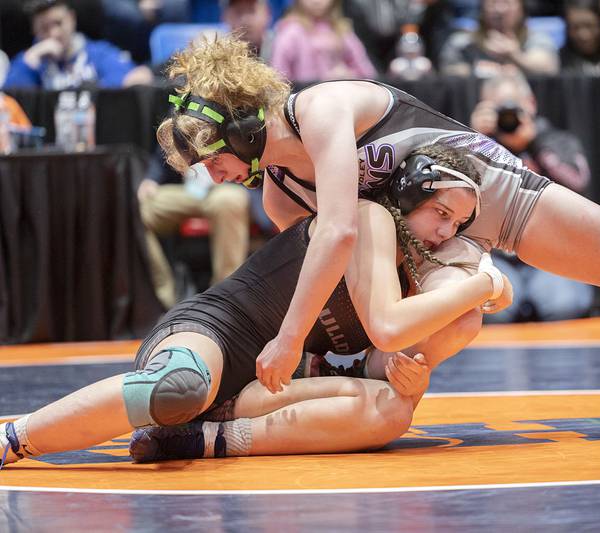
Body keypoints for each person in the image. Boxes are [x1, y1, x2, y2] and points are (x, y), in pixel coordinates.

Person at [156, 35, 600, 427]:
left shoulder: (319, 107)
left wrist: (290, 341)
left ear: (239, 125)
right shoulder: (280, 193)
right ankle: (367, 384)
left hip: (495, 196)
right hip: (428, 249)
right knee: (456, 320)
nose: (212, 176)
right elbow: (342, 281)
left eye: (212, 158)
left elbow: (341, 232)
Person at [0, 142, 513, 466]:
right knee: (180, 387)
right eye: (440, 213)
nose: (447, 233)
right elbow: (386, 327)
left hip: (265, 382)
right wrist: (486, 285)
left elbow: (387, 357)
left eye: (457, 224)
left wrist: (414, 377)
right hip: (219, 333)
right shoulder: (367, 218)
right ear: (407, 195)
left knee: (393, 411)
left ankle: (196, 440)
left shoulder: (414, 270)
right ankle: (12, 438)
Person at [468, 69, 594, 321]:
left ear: (531, 104)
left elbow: (578, 183)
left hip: (550, 257)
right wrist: (474, 138)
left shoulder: (556, 140)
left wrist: (534, 144)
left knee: (564, 305)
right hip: (494, 258)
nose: (508, 116)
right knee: (492, 314)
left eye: (513, 107)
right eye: (498, 109)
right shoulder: (474, 145)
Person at [138, 149, 251, 309]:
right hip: (188, 191)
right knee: (143, 208)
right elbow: (164, 150)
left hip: (226, 186)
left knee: (228, 201)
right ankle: (166, 297)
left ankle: (225, 299)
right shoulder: (182, 123)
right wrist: (151, 179)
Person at [3, 0, 153, 90]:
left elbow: (133, 78)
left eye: (58, 23)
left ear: (71, 19)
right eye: (44, 28)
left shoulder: (97, 52)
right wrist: (29, 62)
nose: (53, 33)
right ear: (34, 30)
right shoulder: (29, 61)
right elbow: (9, 100)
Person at [439, 0, 559, 77]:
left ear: (522, 9)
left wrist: (515, 56)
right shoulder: (463, 42)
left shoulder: (537, 38)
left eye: (507, 2)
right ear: (482, 9)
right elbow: (448, 74)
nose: (499, 9)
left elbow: (548, 70)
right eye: (492, 2)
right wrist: (478, 70)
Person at [270, 0, 376, 82]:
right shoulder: (291, 31)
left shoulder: (341, 30)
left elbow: (368, 73)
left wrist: (349, 76)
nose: (316, 1)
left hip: (341, 97)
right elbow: (278, 77)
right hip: (302, 101)